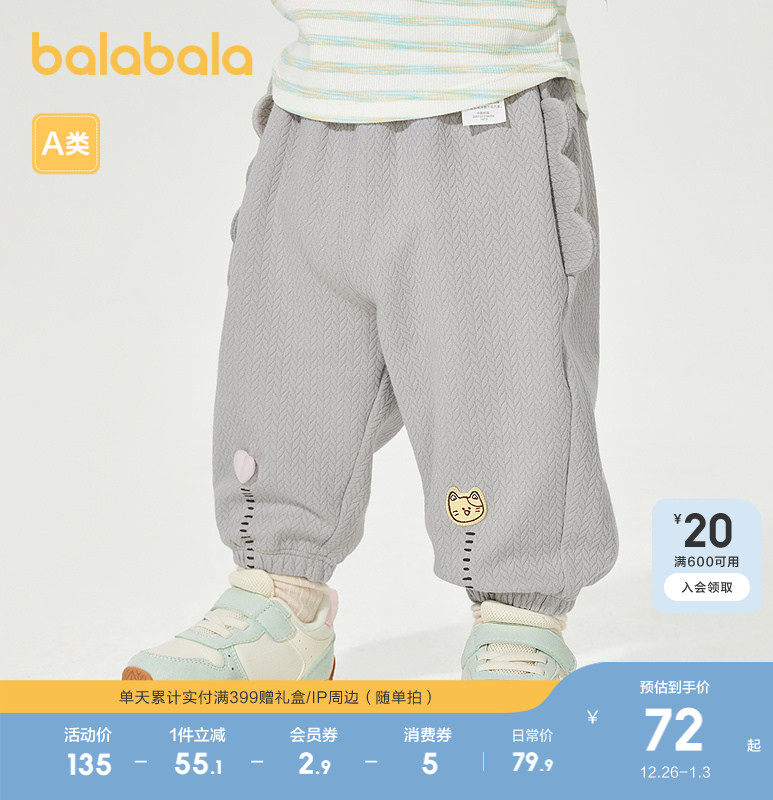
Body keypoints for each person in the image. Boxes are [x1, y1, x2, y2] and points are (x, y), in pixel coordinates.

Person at [123, 0, 617, 682]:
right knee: (283, 370)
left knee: (500, 381)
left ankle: (518, 621)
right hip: (315, 104)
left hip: (482, 95)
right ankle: (281, 601)